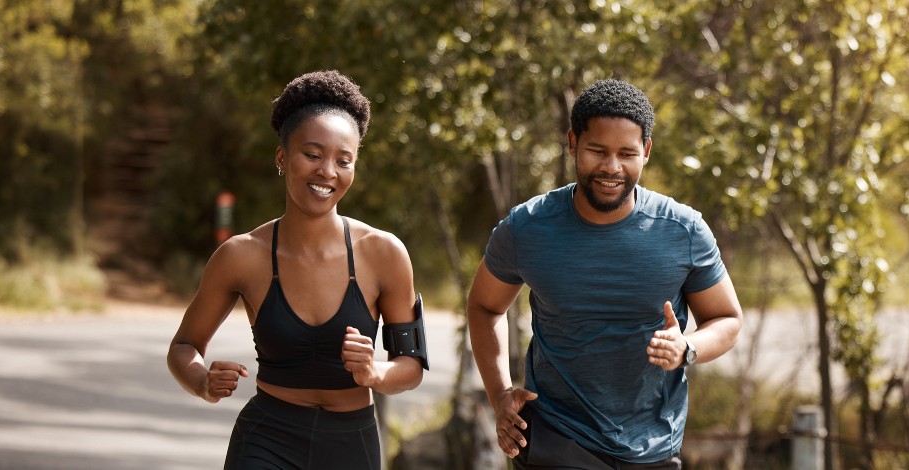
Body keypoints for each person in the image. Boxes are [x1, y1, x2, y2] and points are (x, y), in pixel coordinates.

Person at [466, 78, 745, 469]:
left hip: (653, 448)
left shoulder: (683, 230)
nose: (611, 167)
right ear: (572, 143)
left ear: (646, 152)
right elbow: (483, 306)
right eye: (597, 150)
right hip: (556, 442)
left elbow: (727, 319)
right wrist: (499, 393)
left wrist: (687, 347)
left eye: (626, 153)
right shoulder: (527, 228)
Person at [166, 70, 428, 470]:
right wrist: (201, 381)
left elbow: (410, 367)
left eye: (344, 160)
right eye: (313, 154)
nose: (327, 171)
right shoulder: (241, 255)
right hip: (266, 440)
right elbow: (184, 346)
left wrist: (375, 371)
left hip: (351, 444)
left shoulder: (384, 253)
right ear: (282, 158)